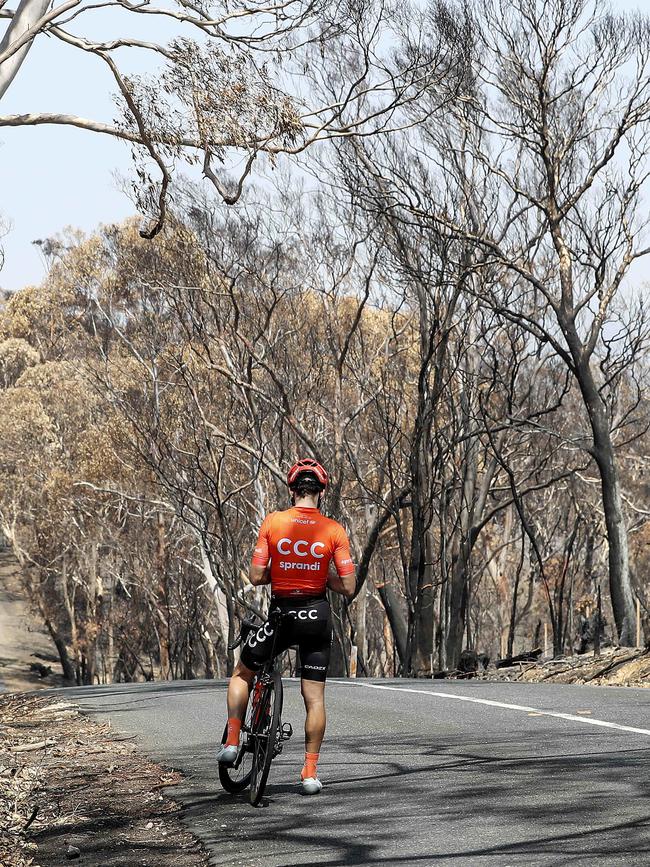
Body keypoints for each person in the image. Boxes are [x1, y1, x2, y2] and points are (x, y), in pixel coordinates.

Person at [217, 458, 356, 795]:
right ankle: (309, 773)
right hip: (316, 618)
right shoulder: (334, 530)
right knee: (315, 699)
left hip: (282, 617)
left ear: (293, 490)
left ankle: (233, 740)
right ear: (320, 493)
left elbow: (255, 576)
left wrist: (280, 573)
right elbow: (349, 586)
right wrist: (321, 576)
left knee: (242, 674)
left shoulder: (273, 522)